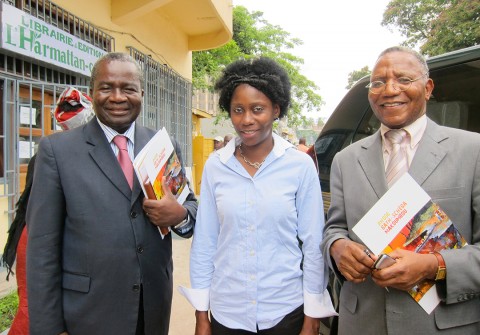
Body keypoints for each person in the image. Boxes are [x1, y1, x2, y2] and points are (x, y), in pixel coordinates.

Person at [26, 52, 198, 335]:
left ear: (141, 93)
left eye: (128, 88)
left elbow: (190, 208)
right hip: (87, 314)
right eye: (107, 87)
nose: (118, 97)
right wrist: (49, 328)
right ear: (92, 93)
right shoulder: (57, 151)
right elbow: (42, 248)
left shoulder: (161, 145)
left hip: (152, 308)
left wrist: (178, 215)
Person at [321, 46, 480, 334]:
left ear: (428, 88)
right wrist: (337, 248)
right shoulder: (346, 159)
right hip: (362, 323)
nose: (389, 90)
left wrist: (434, 265)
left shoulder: (473, 151)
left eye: (404, 79)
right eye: (378, 82)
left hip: (441, 325)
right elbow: (334, 229)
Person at [180, 57, 336, 335]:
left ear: (276, 109)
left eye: (258, 109)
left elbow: (313, 243)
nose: (247, 119)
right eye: (238, 110)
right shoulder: (217, 166)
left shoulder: (299, 166)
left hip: (284, 311)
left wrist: (312, 315)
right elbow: (205, 241)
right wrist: (201, 313)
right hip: (228, 313)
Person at [1, 86, 95, 335]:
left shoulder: (102, 152)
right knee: (33, 306)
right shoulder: (50, 151)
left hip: (76, 246)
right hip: (38, 237)